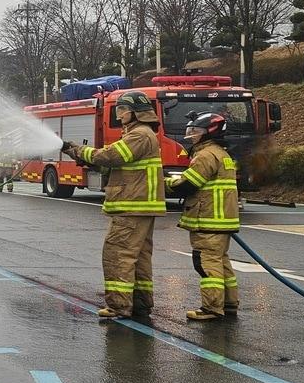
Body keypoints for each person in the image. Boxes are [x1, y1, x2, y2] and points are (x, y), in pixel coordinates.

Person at [61, 90, 164, 321]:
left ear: (135, 112)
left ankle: (119, 306)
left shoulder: (139, 135)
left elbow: (110, 156)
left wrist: (75, 149)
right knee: (139, 258)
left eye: (122, 110)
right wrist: (88, 159)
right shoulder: (143, 134)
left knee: (118, 254)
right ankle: (140, 304)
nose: (119, 115)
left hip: (131, 206)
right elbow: (116, 165)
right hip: (140, 206)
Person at [166, 111, 241, 322]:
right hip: (221, 220)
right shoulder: (222, 154)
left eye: (196, 131)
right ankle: (228, 304)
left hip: (208, 219)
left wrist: (164, 185)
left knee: (207, 263)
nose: (191, 135)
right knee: (221, 262)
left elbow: (189, 184)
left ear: (209, 133)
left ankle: (212, 308)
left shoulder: (205, 155)